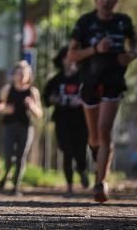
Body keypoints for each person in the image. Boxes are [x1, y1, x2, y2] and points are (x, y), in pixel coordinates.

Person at [66, 0, 137, 203]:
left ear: (116, 0)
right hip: (90, 81)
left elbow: (134, 46)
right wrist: (96, 49)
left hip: (113, 81)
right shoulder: (85, 22)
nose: (106, 0)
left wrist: (130, 55)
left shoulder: (123, 22)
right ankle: (98, 157)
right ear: (96, 0)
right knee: (95, 136)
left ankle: (100, 182)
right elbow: (72, 55)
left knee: (104, 130)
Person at [43, 46, 89, 196]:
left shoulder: (84, 78)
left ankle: (82, 170)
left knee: (80, 152)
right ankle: (69, 186)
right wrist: (53, 99)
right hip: (62, 120)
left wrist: (82, 101)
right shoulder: (56, 80)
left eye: (72, 57)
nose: (69, 61)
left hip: (81, 121)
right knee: (67, 151)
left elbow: (94, 97)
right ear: (61, 60)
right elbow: (46, 98)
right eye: (66, 58)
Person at [0, 60, 43, 196]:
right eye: (19, 73)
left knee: (21, 157)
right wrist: (5, 109)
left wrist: (32, 106)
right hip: (9, 126)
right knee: (9, 156)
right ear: (14, 75)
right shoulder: (7, 89)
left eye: (25, 73)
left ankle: (15, 186)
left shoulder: (32, 92)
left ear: (29, 75)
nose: (22, 76)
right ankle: (6, 176)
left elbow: (39, 114)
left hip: (26, 127)